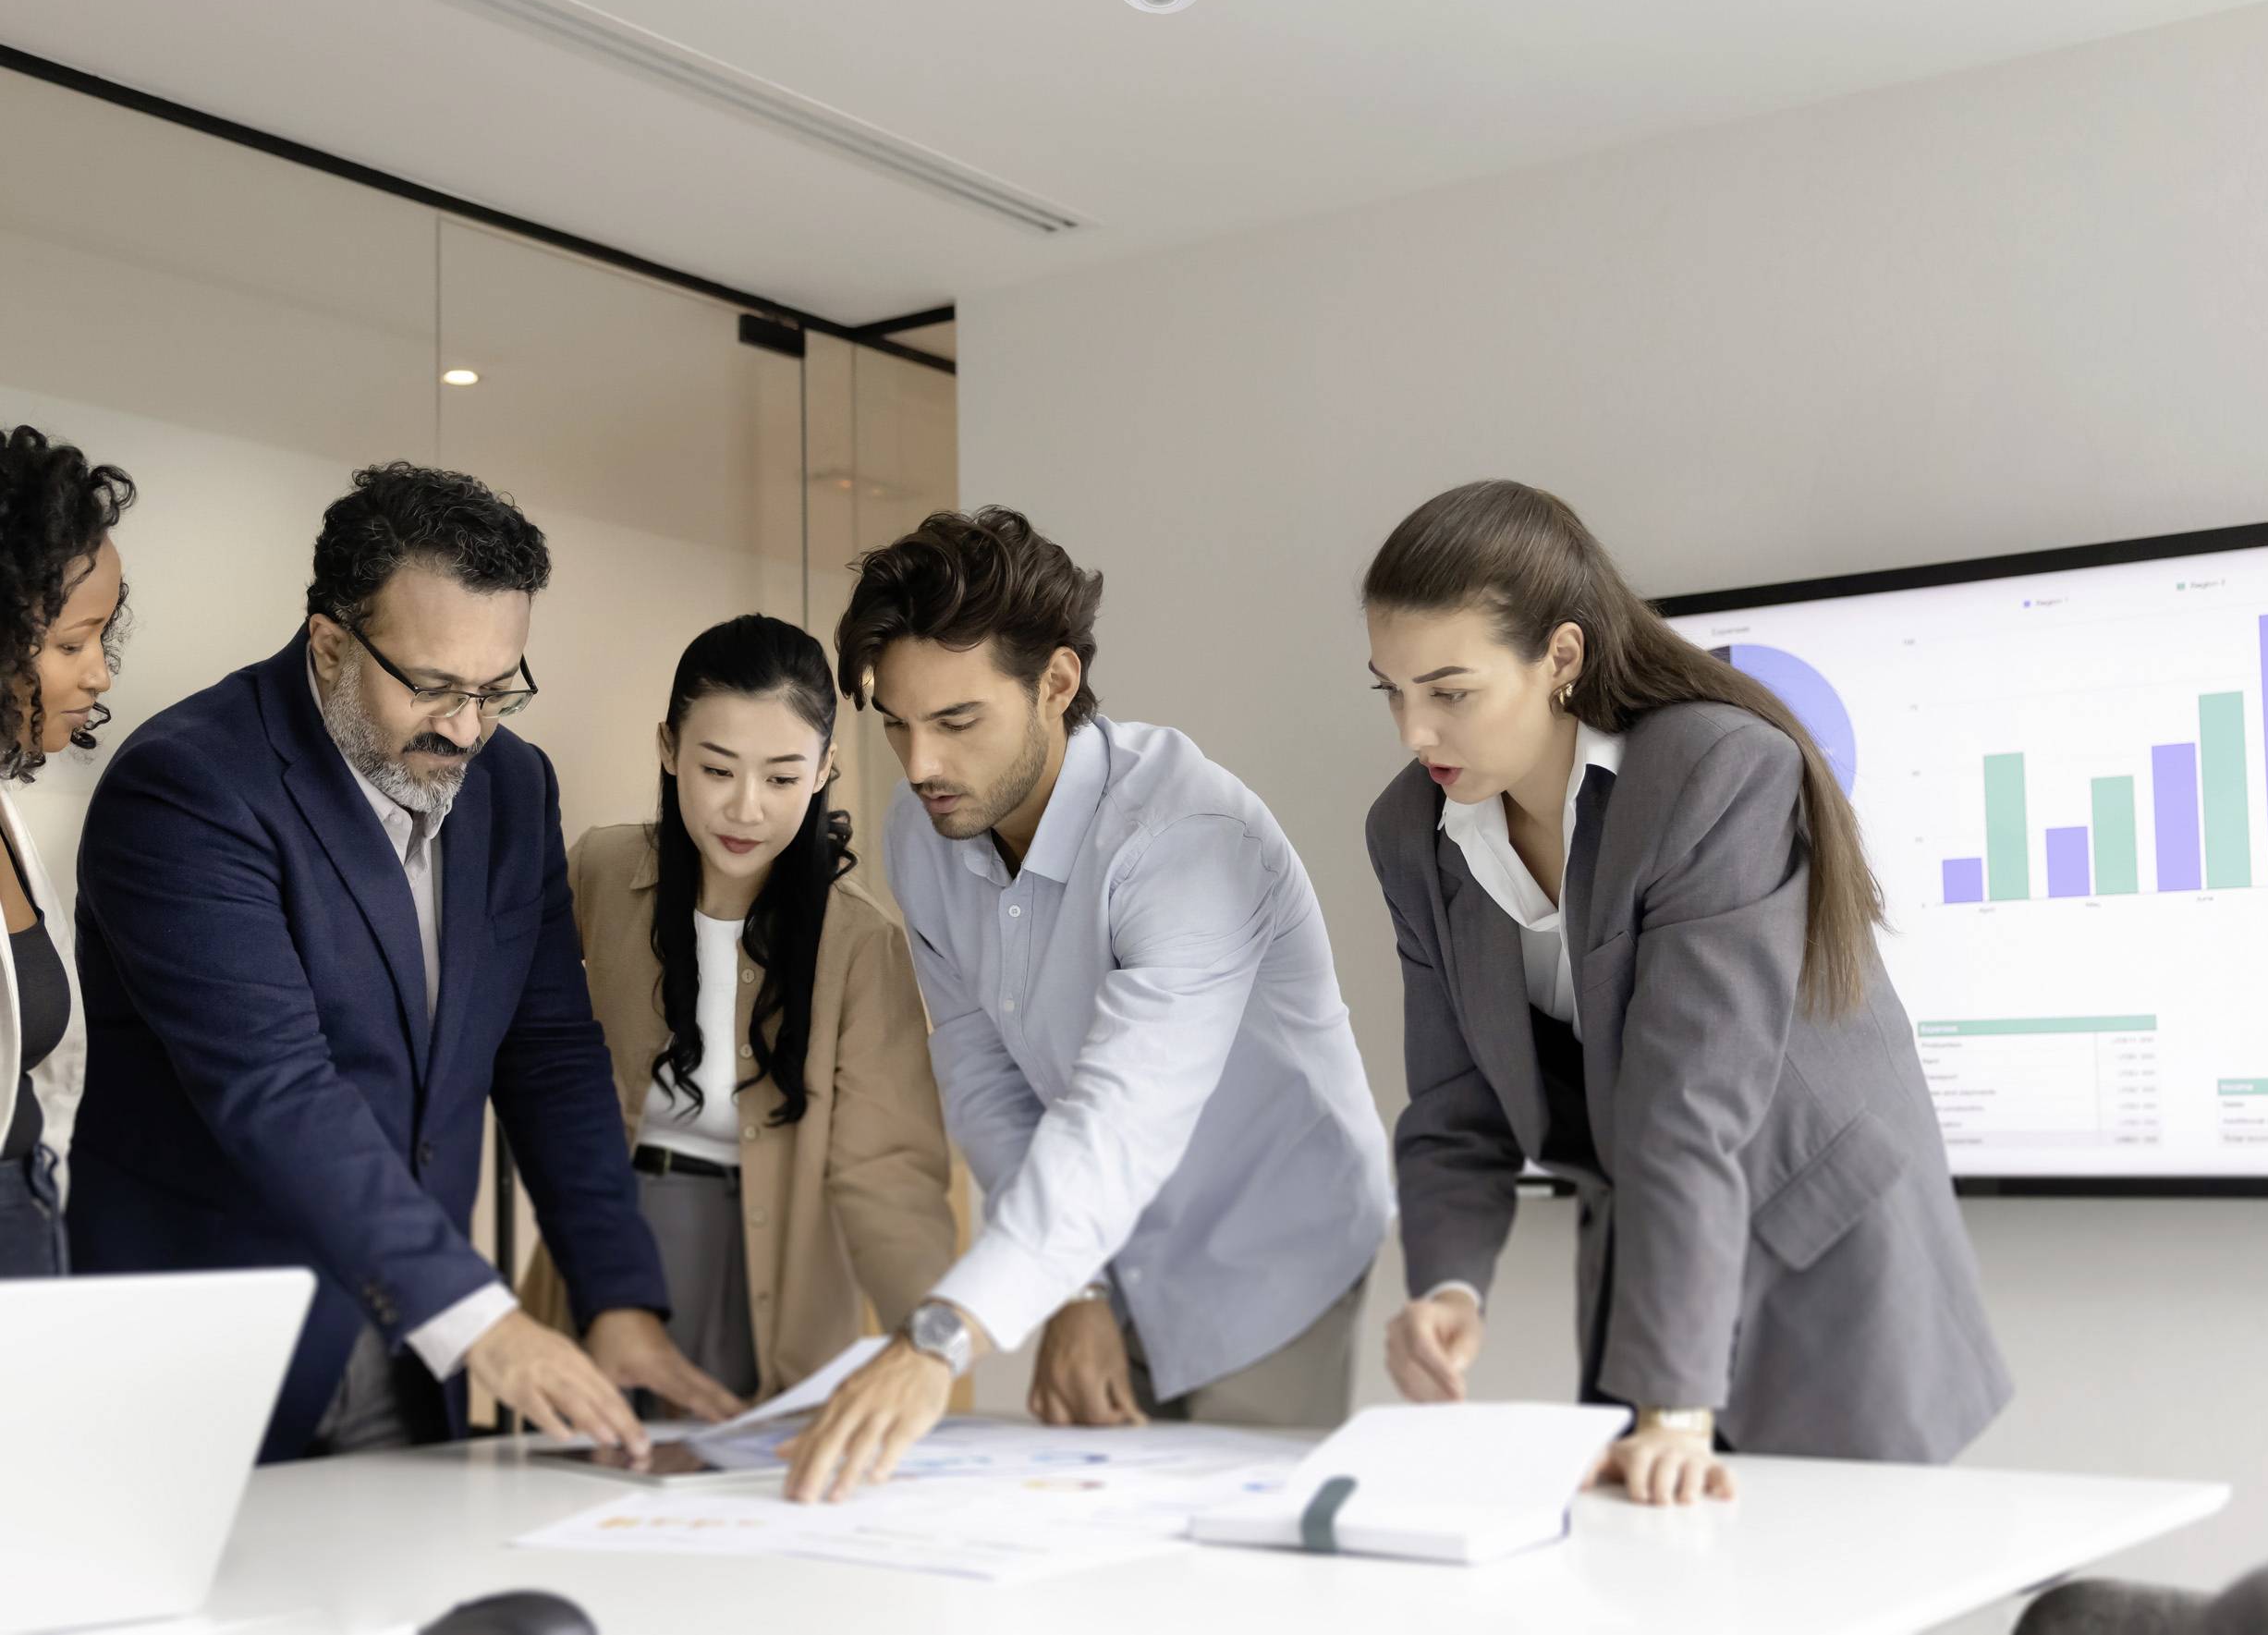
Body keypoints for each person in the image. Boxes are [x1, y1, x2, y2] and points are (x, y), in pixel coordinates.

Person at [67, 462, 740, 1460]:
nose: (467, 727)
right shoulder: (190, 785)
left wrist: (618, 1295)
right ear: (331, 642)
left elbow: (550, 1052)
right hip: (212, 1351)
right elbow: (276, 1086)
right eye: (433, 686)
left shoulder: (512, 785)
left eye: (496, 688)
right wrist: (481, 1317)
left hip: (409, 1342)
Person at [1361, 480, 2011, 1507]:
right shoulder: (1410, 832)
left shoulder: (1712, 772)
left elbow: (1686, 1102)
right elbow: (1452, 1104)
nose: (1411, 731)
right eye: (1389, 691)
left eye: (1448, 691)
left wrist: (1669, 1398)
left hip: (1822, 1260)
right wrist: (1448, 1282)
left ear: (1559, 658)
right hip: (1653, 1253)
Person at [781, 506, 1394, 1503]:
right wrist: (1073, 1286)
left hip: (1267, 1244)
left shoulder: (1188, 840)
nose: (920, 762)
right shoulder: (919, 833)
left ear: (1055, 684)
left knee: (1234, 1555)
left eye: (956, 720)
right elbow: (984, 1077)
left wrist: (943, 1333)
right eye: (895, 722)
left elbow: (1122, 1117)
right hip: (1090, 1234)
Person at [518, 615, 957, 1400]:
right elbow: (529, 1051)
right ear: (668, 748)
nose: (746, 808)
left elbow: (886, 1169)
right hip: (608, 1248)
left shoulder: (859, 942)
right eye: (717, 770)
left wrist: (928, 1340)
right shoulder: (598, 871)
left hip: (770, 1263)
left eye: (783, 778)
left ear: (825, 769)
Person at [0, 426, 131, 1278]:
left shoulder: (7, 817)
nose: (100, 676)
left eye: (100, 641)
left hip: (31, 1208)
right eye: (70, 643)